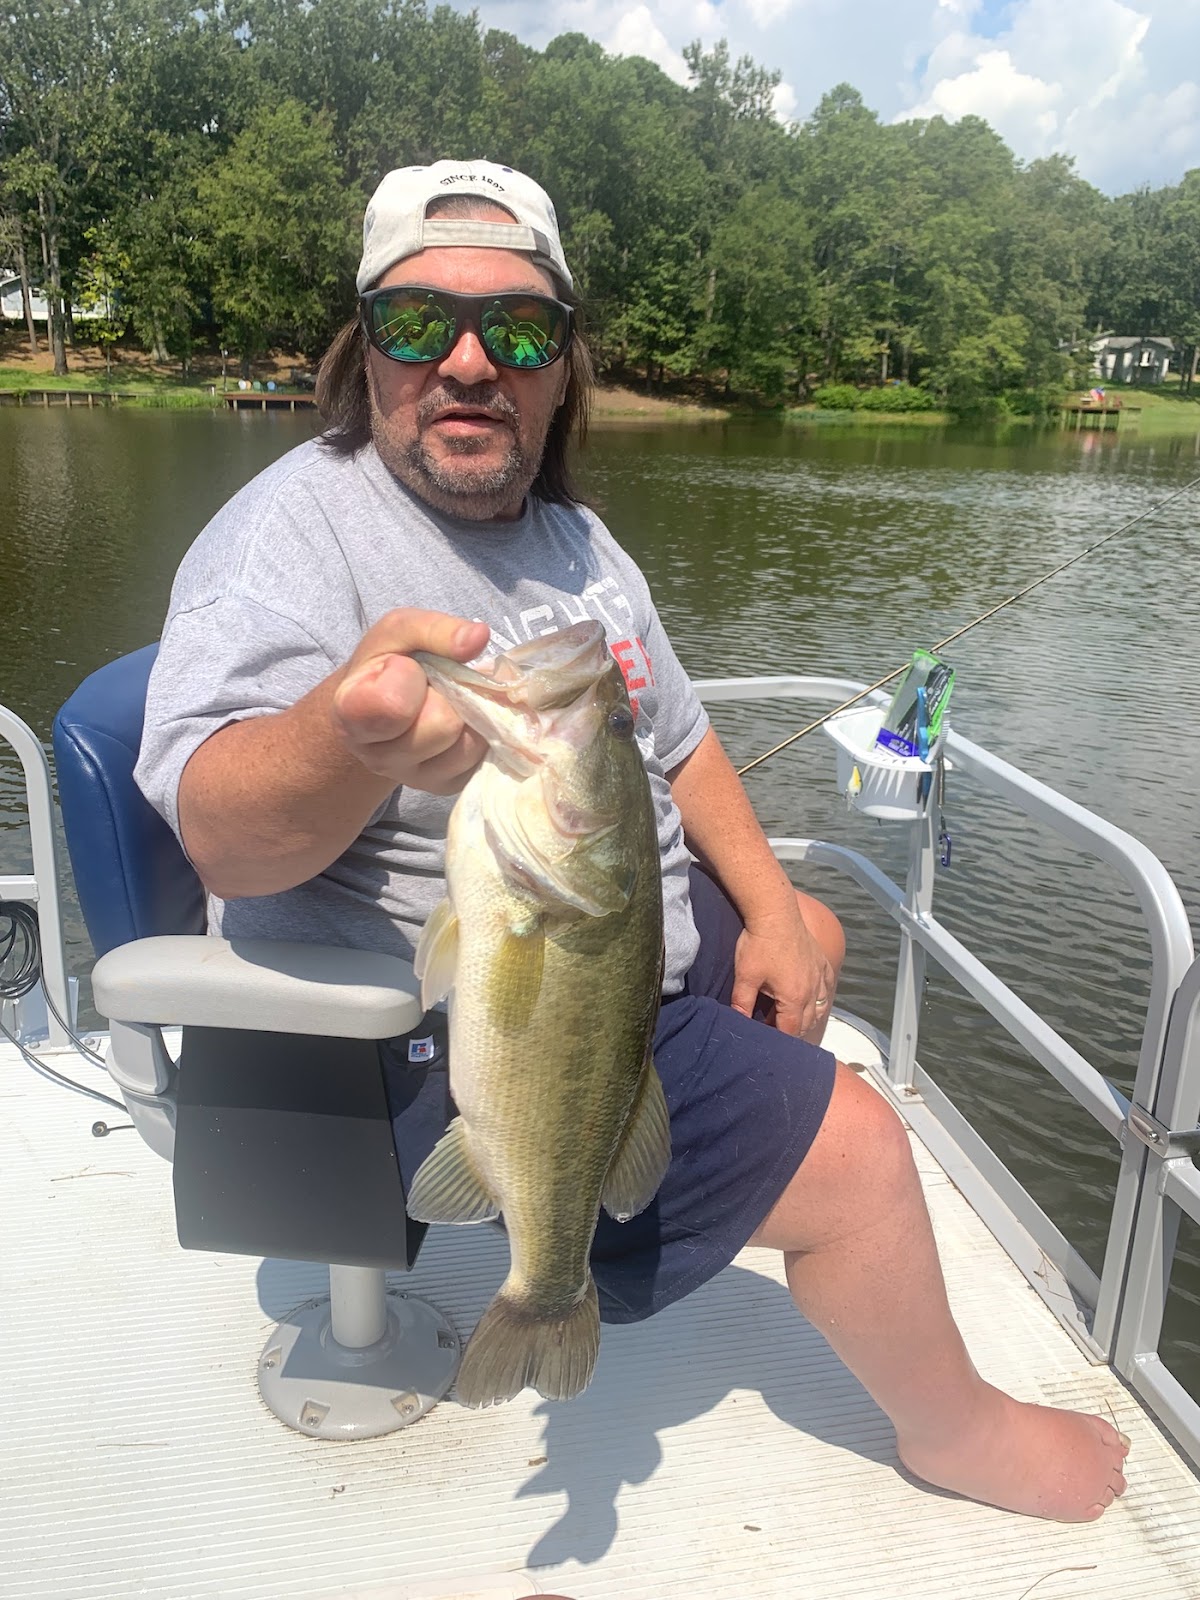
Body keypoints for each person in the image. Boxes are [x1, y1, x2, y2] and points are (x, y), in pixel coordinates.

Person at [135, 159, 1129, 1522]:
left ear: (562, 367)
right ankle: (953, 1426)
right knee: (867, 1159)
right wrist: (346, 744)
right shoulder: (292, 538)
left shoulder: (577, 541)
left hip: (593, 928)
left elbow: (673, 736)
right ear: (362, 346)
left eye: (522, 331)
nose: (473, 361)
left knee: (816, 936)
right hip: (455, 1020)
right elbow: (222, 832)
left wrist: (771, 900)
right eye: (422, 322)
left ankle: (690, 1177)